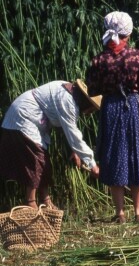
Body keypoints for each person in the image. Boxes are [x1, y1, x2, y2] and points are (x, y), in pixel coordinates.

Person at [86, 11, 139, 224]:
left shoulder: (98, 60)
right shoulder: (136, 56)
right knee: (136, 155)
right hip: (134, 108)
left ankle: (120, 213)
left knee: (114, 156)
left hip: (111, 109)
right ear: (128, 32)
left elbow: (91, 90)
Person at [0, 79, 101, 210]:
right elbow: (74, 134)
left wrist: (75, 151)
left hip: (35, 121)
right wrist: (93, 165)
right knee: (36, 159)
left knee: (45, 162)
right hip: (24, 116)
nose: (89, 112)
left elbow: (66, 127)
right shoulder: (67, 101)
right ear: (86, 101)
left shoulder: (69, 94)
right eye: (91, 108)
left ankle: (45, 201)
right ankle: (30, 203)